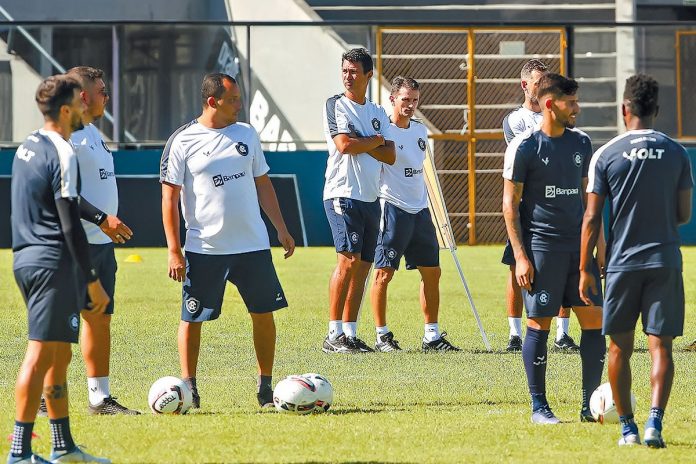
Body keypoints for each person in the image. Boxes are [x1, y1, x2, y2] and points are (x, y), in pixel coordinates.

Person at [160, 73, 295, 409]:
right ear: (212, 102)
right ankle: (189, 389)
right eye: (233, 99)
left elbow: (263, 183)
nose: (240, 105)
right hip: (205, 249)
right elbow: (169, 198)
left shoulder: (246, 134)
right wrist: (174, 250)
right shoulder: (183, 141)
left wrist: (280, 227)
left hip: (252, 246)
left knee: (264, 314)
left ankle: (266, 388)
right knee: (192, 318)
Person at [580, 74, 693, 447]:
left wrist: (584, 268)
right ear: (657, 110)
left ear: (623, 109)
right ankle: (654, 425)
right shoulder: (677, 152)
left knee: (618, 347)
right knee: (661, 347)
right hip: (664, 261)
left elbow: (593, 218)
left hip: (622, 266)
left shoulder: (606, 154)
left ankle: (627, 428)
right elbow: (683, 214)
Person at [9, 75, 111, 463]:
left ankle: (63, 446)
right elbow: (70, 224)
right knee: (39, 355)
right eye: (80, 104)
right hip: (52, 262)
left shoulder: (27, 147)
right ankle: (19, 453)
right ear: (67, 110)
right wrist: (91, 280)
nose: (87, 109)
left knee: (56, 355)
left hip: (27, 258)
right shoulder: (63, 152)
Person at [502, 73, 605, 424]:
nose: (577, 108)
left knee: (594, 322)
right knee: (539, 324)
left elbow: (589, 199)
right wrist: (519, 256)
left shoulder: (581, 143)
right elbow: (509, 205)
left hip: (579, 251)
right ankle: (539, 407)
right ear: (550, 104)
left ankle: (589, 407)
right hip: (542, 250)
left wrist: (599, 247)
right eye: (571, 102)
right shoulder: (524, 146)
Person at [64, 66, 138, 415]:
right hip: (72, 243)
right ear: (83, 96)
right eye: (102, 91)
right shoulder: (64, 135)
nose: (107, 97)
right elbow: (62, 192)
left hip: (101, 245)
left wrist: (106, 226)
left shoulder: (93, 132)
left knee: (100, 317)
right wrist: (101, 218)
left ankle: (99, 399)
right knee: (61, 322)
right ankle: (51, 397)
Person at [369, 76, 460, 352]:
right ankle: (382, 336)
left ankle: (431, 336)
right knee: (384, 273)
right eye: (405, 100)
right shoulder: (383, 130)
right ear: (393, 99)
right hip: (392, 208)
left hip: (420, 210)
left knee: (432, 272)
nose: (410, 105)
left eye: (415, 100)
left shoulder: (420, 132)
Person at [501, 59, 579, 352]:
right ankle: (514, 334)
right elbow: (529, 155)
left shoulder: (558, 114)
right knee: (515, 266)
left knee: (562, 266)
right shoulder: (515, 120)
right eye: (537, 82)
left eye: (547, 81)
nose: (544, 87)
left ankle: (562, 334)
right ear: (525, 85)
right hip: (525, 206)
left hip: (557, 204)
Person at [322, 48, 396, 354]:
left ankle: (350, 334)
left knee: (364, 266)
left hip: (370, 197)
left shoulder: (378, 113)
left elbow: (390, 155)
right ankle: (332, 333)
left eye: (354, 71)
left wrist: (367, 141)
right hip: (343, 193)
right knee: (348, 260)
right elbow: (344, 145)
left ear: (369, 75)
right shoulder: (335, 104)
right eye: (344, 70)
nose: (347, 76)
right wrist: (374, 141)